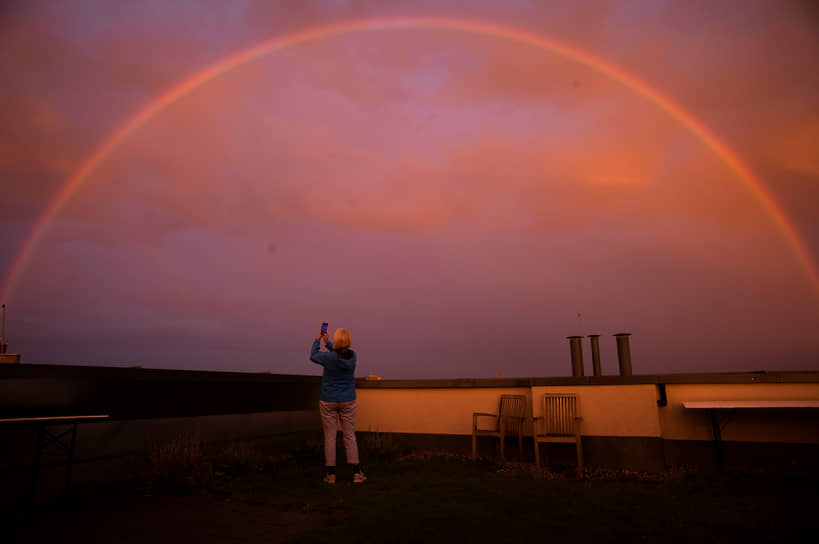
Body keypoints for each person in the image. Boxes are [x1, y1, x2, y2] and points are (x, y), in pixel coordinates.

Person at [310, 327, 365, 484]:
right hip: (348, 400)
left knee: (330, 437)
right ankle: (356, 473)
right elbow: (339, 355)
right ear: (348, 341)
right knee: (349, 435)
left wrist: (318, 339)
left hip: (328, 400)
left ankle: (331, 475)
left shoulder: (329, 358)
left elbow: (313, 356)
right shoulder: (353, 357)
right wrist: (329, 344)